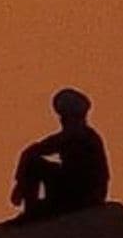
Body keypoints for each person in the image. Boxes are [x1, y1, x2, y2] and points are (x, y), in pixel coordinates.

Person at [12, 88, 109, 221]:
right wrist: (20, 184)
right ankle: (32, 210)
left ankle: (32, 212)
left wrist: (19, 187)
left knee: (35, 164)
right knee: (34, 162)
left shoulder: (82, 137)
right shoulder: (76, 136)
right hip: (75, 192)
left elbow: (32, 152)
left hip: (82, 196)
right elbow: (31, 152)